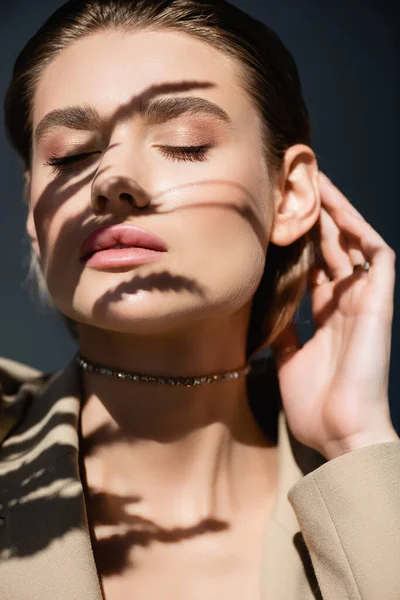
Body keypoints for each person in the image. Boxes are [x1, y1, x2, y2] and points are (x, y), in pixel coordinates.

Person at [1, 1, 399, 599]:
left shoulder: (369, 490)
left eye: (185, 144)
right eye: (69, 156)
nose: (109, 180)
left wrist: (357, 442)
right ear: (35, 209)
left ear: (290, 195)